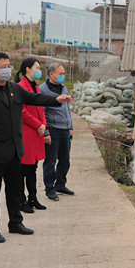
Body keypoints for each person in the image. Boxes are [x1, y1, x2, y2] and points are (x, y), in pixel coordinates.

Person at [0, 52, 72, 243]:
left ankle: (15, 222)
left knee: (14, 190)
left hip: (15, 150)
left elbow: (35, 98)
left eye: (9, 66)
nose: (7, 70)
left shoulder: (14, 88)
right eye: (3, 67)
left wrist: (56, 100)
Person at [16, 58, 49, 213]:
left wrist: (44, 125)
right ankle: (21, 201)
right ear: (28, 69)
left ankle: (33, 198)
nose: (39, 70)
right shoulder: (20, 87)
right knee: (23, 170)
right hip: (27, 134)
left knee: (32, 169)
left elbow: (41, 108)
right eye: (37, 68)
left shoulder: (36, 87)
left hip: (37, 133)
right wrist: (38, 124)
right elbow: (22, 111)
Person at [40, 62, 74, 201]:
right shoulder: (43, 90)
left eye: (63, 73)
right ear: (51, 74)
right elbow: (42, 112)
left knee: (65, 160)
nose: (63, 76)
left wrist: (70, 126)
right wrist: (46, 132)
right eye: (60, 74)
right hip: (53, 130)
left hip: (65, 130)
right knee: (50, 161)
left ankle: (60, 185)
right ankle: (50, 189)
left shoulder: (63, 88)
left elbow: (67, 109)